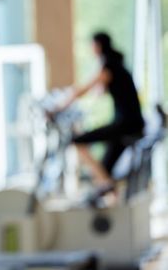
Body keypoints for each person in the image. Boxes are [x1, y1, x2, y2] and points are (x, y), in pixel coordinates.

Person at [57, 31, 144, 195]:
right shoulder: (116, 65)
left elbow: (84, 89)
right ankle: (109, 190)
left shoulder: (109, 66)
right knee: (105, 169)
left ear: (98, 46)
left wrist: (58, 107)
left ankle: (107, 185)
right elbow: (98, 92)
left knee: (77, 141)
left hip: (125, 124)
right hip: (131, 123)